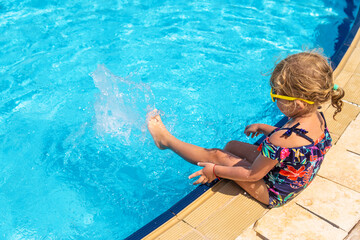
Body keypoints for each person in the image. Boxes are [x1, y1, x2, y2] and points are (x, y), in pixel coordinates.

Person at [147, 51, 345, 208]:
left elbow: (253, 175)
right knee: (231, 145)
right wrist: (266, 128)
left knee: (216, 155)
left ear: (298, 104)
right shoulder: (316, 116)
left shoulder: (282, 140)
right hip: (292, 175)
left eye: (276, 95)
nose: (274, 98)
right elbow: (295, 144)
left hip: (274, 192)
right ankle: (204, 155)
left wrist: (215, 171)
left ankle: (166, 141)